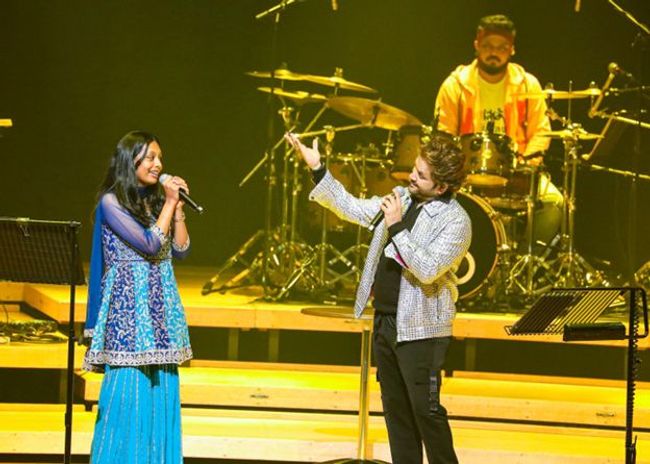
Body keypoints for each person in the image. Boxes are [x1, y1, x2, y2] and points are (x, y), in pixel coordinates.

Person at [286, 132, 471, 464]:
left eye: (421, 175)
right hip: (387, 322)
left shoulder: (456, 220)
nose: (411, 176)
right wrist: (318, 169)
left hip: (422, 331)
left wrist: (397, 227)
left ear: (441, 187)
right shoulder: (403, 196)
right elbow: (354, 208)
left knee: (426, 414)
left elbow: (427, 269)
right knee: (397, 416)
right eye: (415, 168)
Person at [83, 130, 193, 463]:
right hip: (128, 313)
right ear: (130, 161)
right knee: (127, 395)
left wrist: (177, 209)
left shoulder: (157, 201)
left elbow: (181, 249)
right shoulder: (112, 202)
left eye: (160, 158)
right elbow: (148, 244)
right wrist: (170, 202)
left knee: (161, 394)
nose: (158, 164)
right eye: (150, 158)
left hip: (159, 311)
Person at [434, 14, 562, 248]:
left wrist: (524, 164)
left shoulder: (527, 84)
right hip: (466, 174)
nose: (495, 52)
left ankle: (521, 264)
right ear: (476, 46)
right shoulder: (455, 85)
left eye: (502, 47)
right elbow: (443, 134)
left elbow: (541, 133)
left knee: (554, 203)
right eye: (488, 46)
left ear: (512, 49)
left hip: (516, 173)